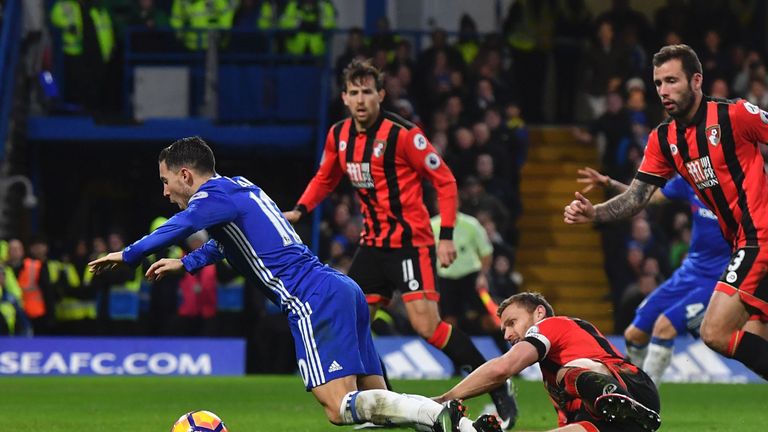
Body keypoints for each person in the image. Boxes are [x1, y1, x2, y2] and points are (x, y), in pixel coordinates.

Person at [88, 136, 499, 432]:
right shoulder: (241, 187)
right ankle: (461, 427)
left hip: (310, 299)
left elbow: (181, 225)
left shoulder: (207, 199)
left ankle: (433, 414)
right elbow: (227, 244)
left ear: (184, 174)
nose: (164, 192)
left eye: (165, 181)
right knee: (378, 411)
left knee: (340, 409)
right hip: (341, 289)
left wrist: (127, 254)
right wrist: (188, 264)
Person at [283, 58, 518, 428]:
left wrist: (446, 236)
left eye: (367, 92)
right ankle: (388, 408)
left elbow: (445, 181)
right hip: (372, 246)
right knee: (355, 321)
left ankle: (499, 386)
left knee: (429, 327)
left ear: (381, 94)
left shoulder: (404, 134)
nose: (361, 100)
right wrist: (300, 209)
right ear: (344, 97)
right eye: (354, 92)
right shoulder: (338, 135)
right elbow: (325, 177)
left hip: (411, 243)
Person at [564, 44, 768, 380]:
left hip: (758, 237)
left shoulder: (735, 116)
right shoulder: (664, 140)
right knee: (757, 336)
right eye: (658, 83)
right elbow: (637, 197)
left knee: (715, 331)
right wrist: (595, 213)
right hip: (742, 244)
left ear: (696, 80)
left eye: (672, 81)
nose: (663, 91)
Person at [577, 167, 731, 386]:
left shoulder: (739, 188)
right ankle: (631, 389)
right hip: (689, 272)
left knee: (664, 327)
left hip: (720, 277)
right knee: (633, 334)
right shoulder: (692, 181)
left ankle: (646, 400)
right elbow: (647, 196)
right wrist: (610, 183)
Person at [435, 292, 662, 432]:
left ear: (539, 313)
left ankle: (614, 396)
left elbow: (503, 368)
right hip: (611, 422)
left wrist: (446, 398)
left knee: (567, 373)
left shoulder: (551, 326)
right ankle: (617, 405)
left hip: (632, 388)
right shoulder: (551, 379)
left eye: (512, 323)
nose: (506, 334)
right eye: (503, 329)